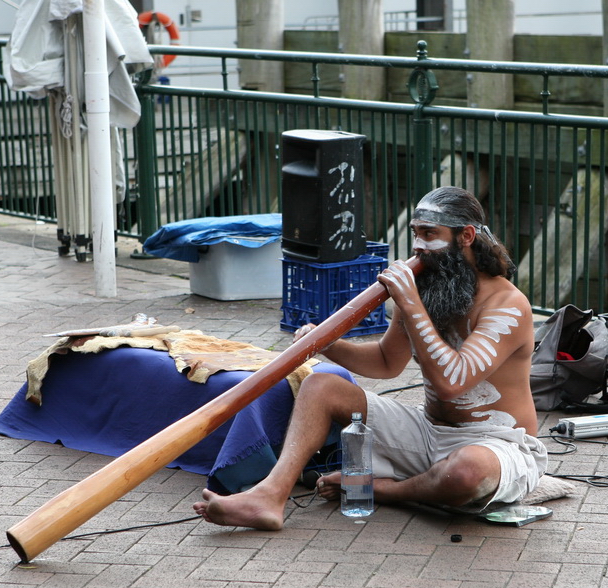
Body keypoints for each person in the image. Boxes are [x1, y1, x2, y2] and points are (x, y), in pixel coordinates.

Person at [194, 186, 547, 530]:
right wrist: (327, 344)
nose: (419, 247)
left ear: (466, 236)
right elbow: (386, 362)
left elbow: (451, 383)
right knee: (320, 385)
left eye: (430, 234)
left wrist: (409, 301)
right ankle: (269, 496)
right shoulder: (429, 288)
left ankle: (384, 489)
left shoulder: (507, 306)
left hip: (497, 444)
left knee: (466, 472)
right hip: (428, 433)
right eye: (415, 234)